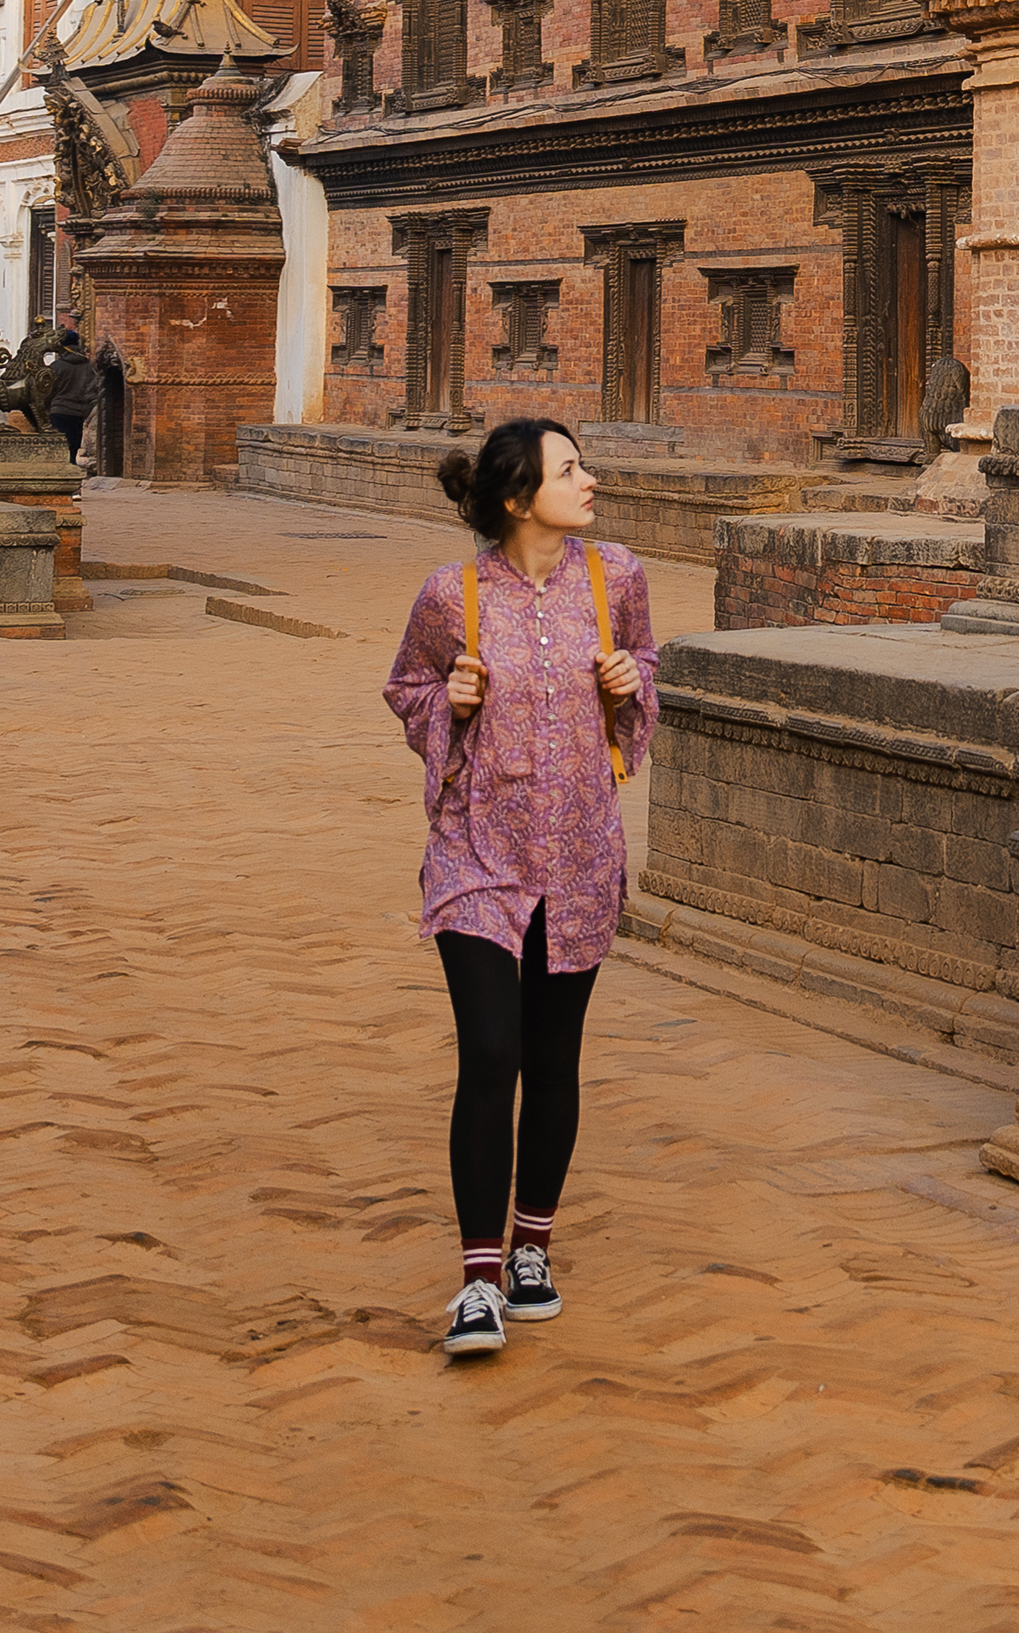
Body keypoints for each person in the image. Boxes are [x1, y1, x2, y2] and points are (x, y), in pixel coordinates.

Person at [381, 419, 656, 1360]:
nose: (589, 481)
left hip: (578, 854)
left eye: (581, 465)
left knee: (553, 1054)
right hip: (478, 855)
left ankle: (532, 1246)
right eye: (570, 469)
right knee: (490, 1052)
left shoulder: (614, 577)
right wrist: (446, 700)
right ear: (515, 497)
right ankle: (477, 1282)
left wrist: (629, 678)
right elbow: (406, 686)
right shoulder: (450, 595)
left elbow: (644, 675)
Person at [40, 322, 101, 464]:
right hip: (80, 413)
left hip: (59, 411)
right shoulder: (90, 367)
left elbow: (48, 391)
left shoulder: (57, 367)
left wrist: (45, 408)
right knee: (73, 446)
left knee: (58, 448)